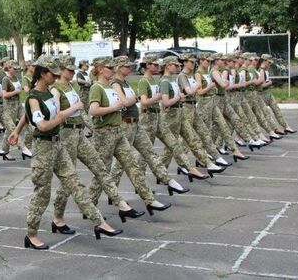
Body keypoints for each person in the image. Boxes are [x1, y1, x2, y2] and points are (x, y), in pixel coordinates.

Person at [8, 56, 122, 250]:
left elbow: (27, 116)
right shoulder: (34, 97)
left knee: (74, 183)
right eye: (53, 74)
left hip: (57, 145)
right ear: (43, 73)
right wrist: (66, 114)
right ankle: (32, 234)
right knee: (42, 194)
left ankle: (99, 222)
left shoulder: (48, 94)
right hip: (43, 148)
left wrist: (17, 130)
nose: (56, 77)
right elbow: (42, 125)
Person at [50, 56, 144, 227]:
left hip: (79, 134)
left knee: (100, 168)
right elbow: (58, 116)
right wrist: (75, 108)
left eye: (72, 70)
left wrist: (90, 127)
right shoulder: (56, 90)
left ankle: (121, 204)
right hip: (66, 135)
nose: (71, 73)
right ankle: (58, 218)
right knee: (68, 180)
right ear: (60, 70)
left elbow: (83, 113)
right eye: (68, 70)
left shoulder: (71, 87)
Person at [87, 57, 171, 215]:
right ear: (99, 69)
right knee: (102, 171)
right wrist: (114, 108)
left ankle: (149, 199)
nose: (112, 70)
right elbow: (93, 111)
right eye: (109, 67)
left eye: (113, 68)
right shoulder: (97, 87)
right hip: (104, 134)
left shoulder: (110, 87)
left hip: (118, 130)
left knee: (132, 165)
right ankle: (90, 205)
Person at [108, 56, 189, 196]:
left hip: (136, 123)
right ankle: (113, 191)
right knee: (121, 162)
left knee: (149, 152)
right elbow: (125, 102)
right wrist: (138, 99)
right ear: (118, 68)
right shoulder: (116, 83)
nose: (130, 68)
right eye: (127, 67)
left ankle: (166, 180)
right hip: (125, 124)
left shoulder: (126, 83)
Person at [137, 56, 210, 181]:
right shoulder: (146, 81)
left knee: (173, 145)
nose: (156, 66)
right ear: (147, 65)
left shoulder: (154, 80)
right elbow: (146, 102)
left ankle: (188, 168)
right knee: (146, 152)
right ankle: (141, 181)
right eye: (154, 64)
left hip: (157, 116)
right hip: (149, 118)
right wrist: (172, 97)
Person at [0, 60, 32, 159]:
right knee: (11, 129)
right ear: (9, 68)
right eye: (14, 68)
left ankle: (26, 147)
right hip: (9, 106)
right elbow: (4, 95)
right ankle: (21, 149)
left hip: (18, 104)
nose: (16, 70)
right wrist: (15, 92)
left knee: (29, 125)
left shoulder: (16, 78)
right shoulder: (6, 79)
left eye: (17, 69)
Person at [259, 54, 296, 134]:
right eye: (268, 62)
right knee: (266, 114)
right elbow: (261, 86)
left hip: (268, 93)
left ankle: (286, 126)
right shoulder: (260, 70)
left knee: (277, 110)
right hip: (262, 95)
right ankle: (275, 128)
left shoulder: (266, 70)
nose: (270, 64)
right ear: (264, 61)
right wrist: (269, 83)